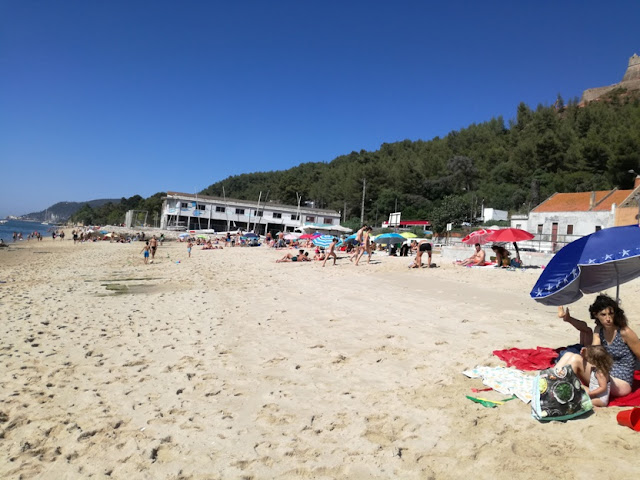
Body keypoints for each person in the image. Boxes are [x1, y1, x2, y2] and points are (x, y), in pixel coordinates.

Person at [559, 294, 640, 397]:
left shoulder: (625, 332)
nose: (608, 318)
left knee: (575, 359)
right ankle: (549, 380)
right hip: (602, 374)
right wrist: (587, 352)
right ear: (596, 314)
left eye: (611, 314)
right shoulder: (599, 330)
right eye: (603, 315)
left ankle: (553, 384)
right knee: (569, 355)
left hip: (621, 382)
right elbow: (594, 353)